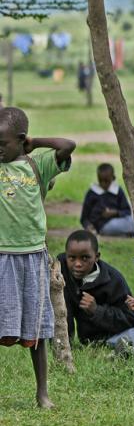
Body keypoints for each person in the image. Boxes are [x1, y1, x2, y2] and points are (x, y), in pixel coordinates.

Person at [0, 106, 74, 409]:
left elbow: (68, 146)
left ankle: (42, 392)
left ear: (21, 140)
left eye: (3, 143)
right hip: (2, 256)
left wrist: (36, 142)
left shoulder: (36, 165)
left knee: (38, 329)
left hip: (32, 257)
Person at [59, 230, 134, 350]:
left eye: (85, 258)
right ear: (66, 256)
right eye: (72, 258)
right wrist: (65, 344)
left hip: (128, 321)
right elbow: (62, 310)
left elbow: (129, 319)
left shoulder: (113, 279)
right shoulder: (61, 269)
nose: (78, 264)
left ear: (96, 257)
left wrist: (97, 311)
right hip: (106, 337)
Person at [80, 163, 134, 237]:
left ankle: (124, 234)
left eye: (106, 181)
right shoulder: (92, 193)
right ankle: (129, 232)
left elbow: (127, 211)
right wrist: (88, 226)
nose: (103, 184)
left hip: (119, 220)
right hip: (102, 224)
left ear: (113, 178)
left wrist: (115, 213)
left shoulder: (117, 191)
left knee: (133, 220)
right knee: (127, 225)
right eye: (100, 180)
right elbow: (84, 218)